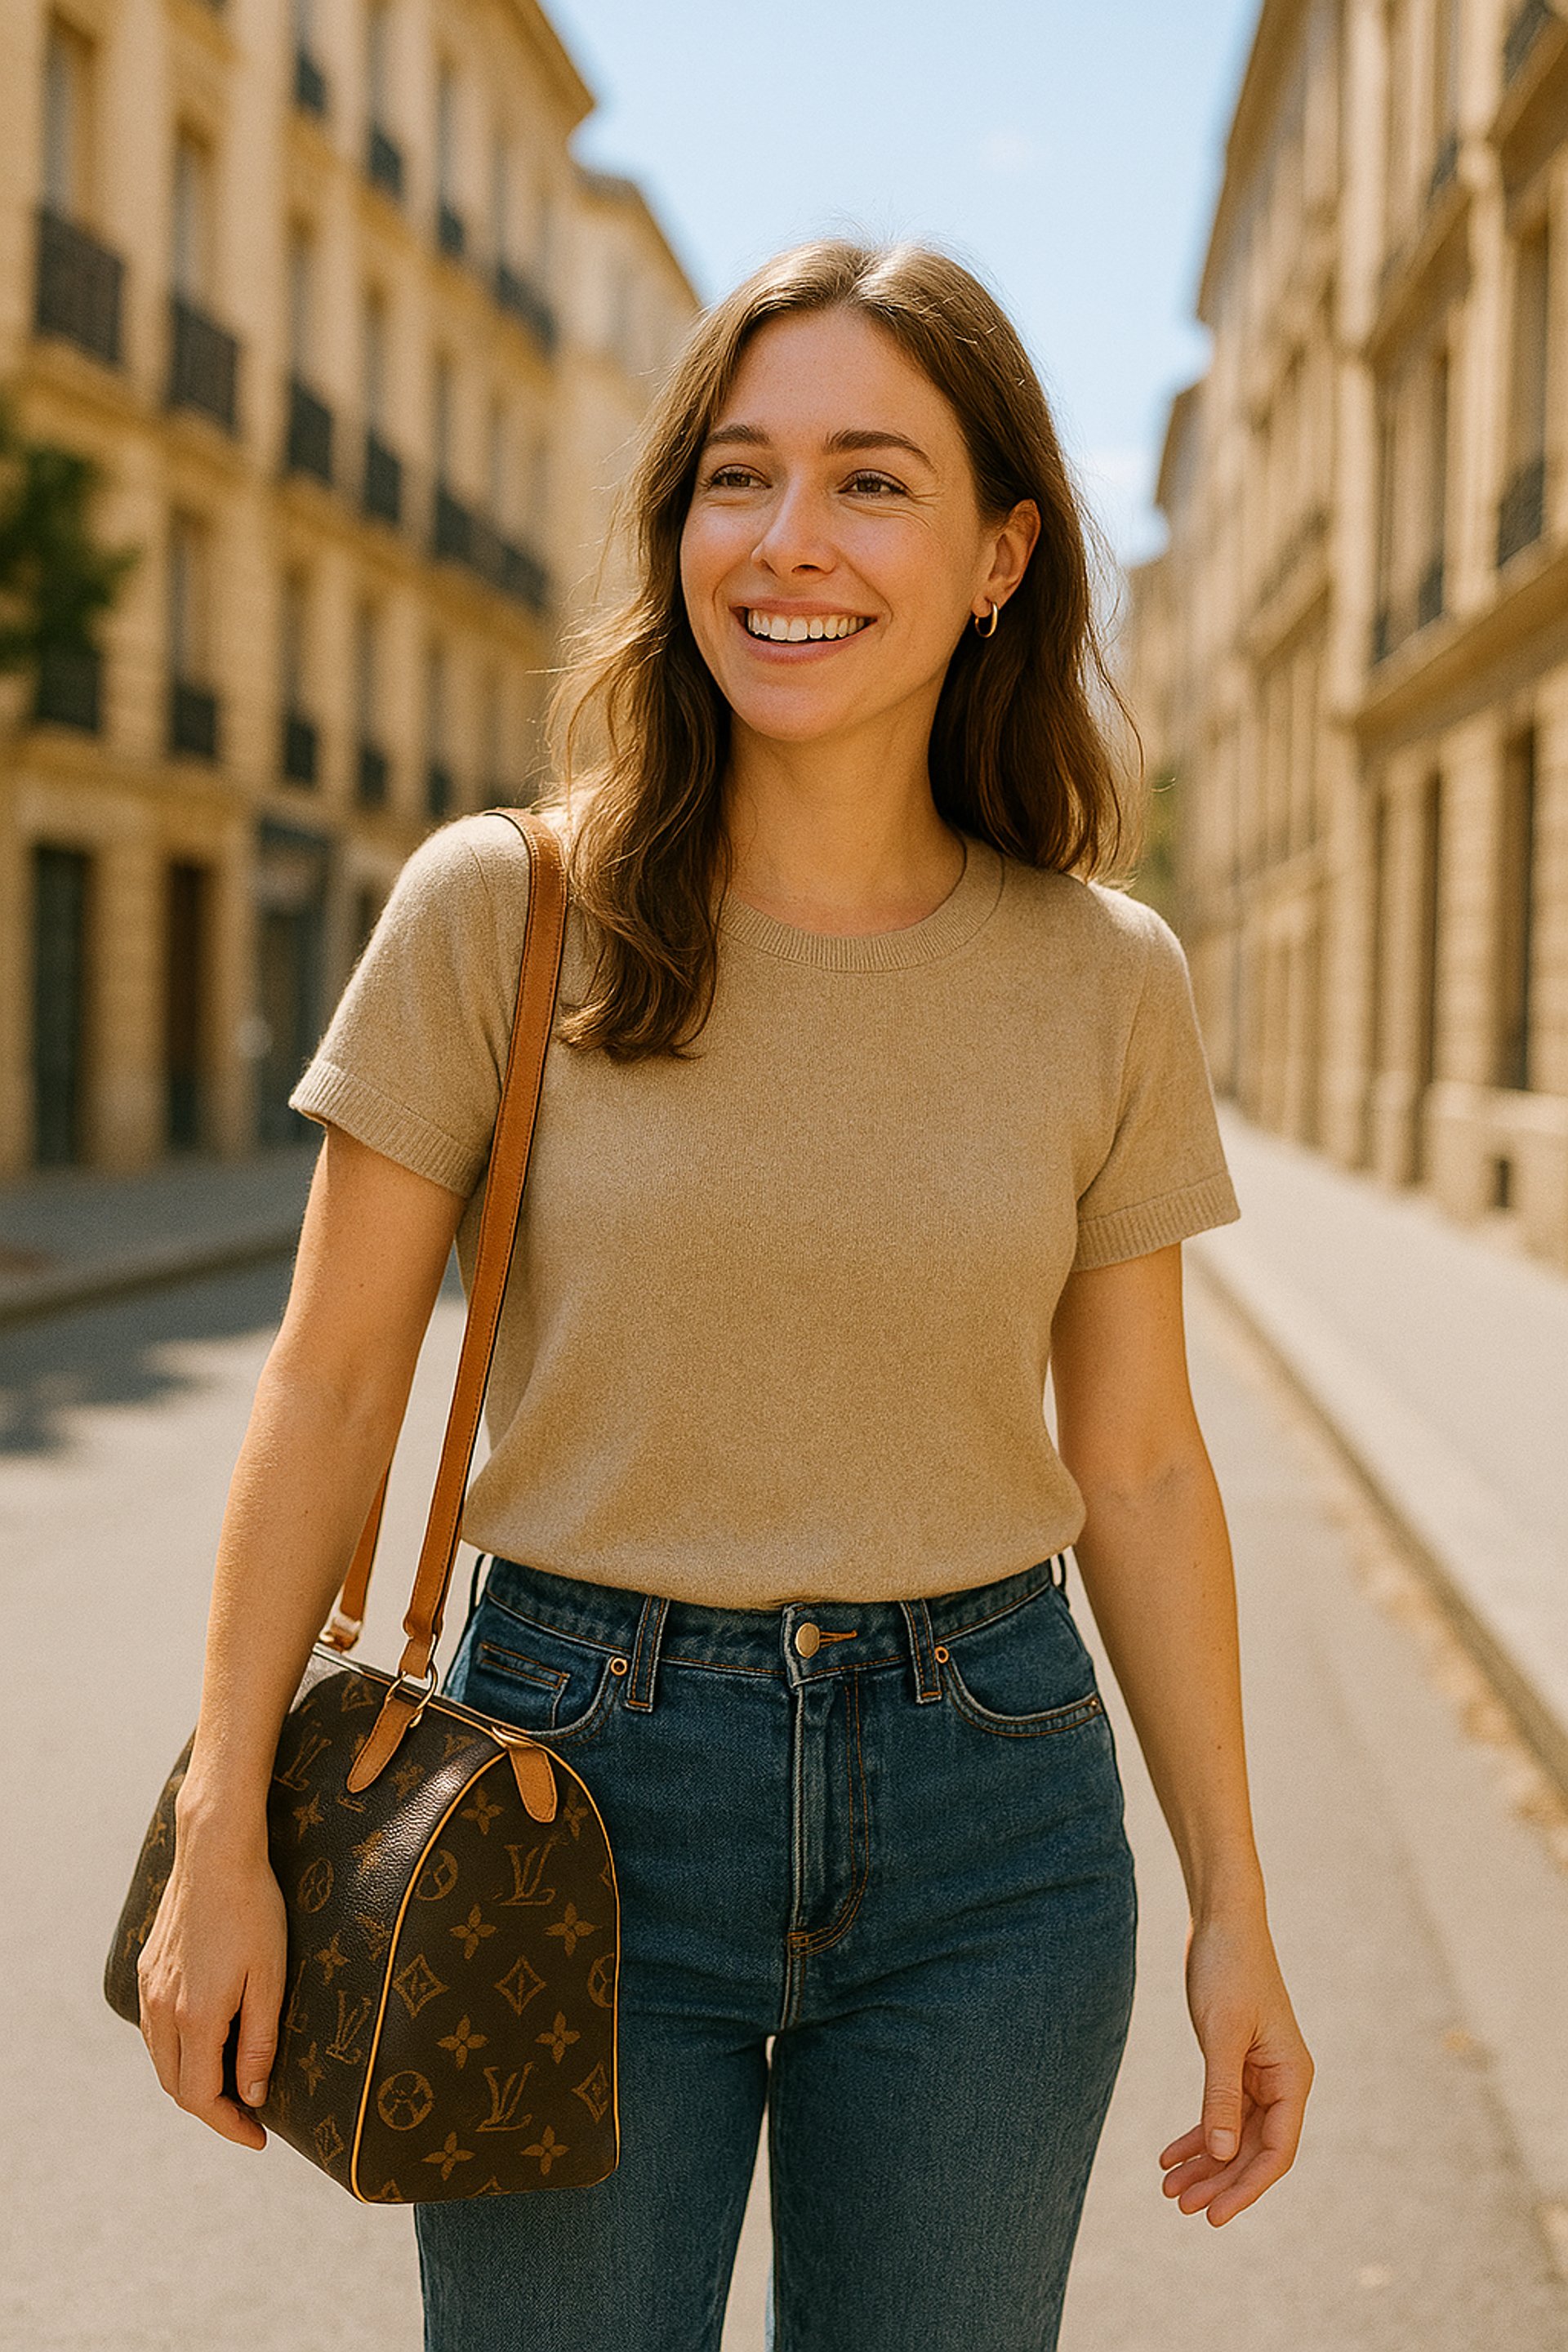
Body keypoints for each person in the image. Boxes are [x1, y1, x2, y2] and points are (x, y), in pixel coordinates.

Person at [136, 239, 1313, 2350]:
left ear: (997, 554)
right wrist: (228, 1823)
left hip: (995, 1822)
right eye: (736, 477)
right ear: (677, 524)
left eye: (872, 481)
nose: (788, 543)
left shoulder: (1104, 975)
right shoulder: (502, 910)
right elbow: (323, 1395)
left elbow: (1134, 1463)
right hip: (561, 1791)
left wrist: (1236, 1901)